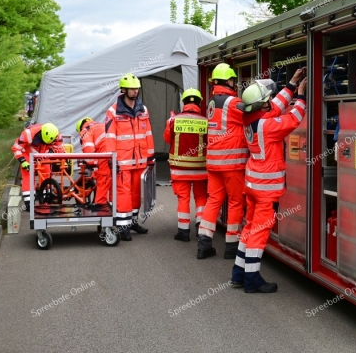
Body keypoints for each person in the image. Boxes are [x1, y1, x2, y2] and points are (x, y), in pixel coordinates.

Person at [199, 64, 305, 260]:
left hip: (213, 161)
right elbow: (267, 113)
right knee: (235, 202)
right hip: (231, 162)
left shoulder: (212, 101)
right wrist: (298, 94)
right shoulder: (233, 103)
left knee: (213, 200)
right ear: (229, 81)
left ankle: (204, 242)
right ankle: (231, 245)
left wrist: (291, 85)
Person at [231, 76, 307, 293]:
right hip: (266, 190)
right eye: (267, 99)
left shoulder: (251, 118)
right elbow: (293, 119)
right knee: (259, 232)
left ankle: (238, 274)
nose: (270, 101)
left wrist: (291, 85)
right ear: (259, 104)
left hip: (254, 185)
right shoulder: (266, 125)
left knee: (249, 227)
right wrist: (301, 96)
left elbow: (275, 107)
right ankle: (252, 279)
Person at [105, 73, 155, 241]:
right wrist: (112, 159)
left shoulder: (143, 109)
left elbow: (148, 134)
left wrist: (151, 157)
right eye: (132, 89)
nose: (135, 91)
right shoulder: (113, 112)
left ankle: (132, 222)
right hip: (122, 162)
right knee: (124, 194)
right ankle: (123, 227)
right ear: (123, 90)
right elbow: (110, 137)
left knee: (136, 194)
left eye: (137, 88)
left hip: (139, 161)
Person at [164, 88, 209, 249]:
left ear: (184, 103)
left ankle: (183, 232)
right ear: (198, 102)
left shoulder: (174, 120)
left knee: (183, 199)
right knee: (201, 198)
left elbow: (167, 139)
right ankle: (200, 228)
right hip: (200, 169)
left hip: (180, 169)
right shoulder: (205, 121)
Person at [11, 122, 65, 210]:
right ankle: (29, 203)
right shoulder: (28, 133)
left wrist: (63, 161)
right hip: (28, 153)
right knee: (29, 174)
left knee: (46, 173)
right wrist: (23, 161)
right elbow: (16, 148)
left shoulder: (57, 136)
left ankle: (46, 198)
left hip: (44, 154)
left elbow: (61, 150)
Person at [76, 117, 116, 211]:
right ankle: (113, 203)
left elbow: (88, 149)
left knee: (103, 176)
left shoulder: (85, 131)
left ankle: (100, 204)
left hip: (105, 153)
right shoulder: (100, 125)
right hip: (116, 151)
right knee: (113, 177)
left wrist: (91, 162)